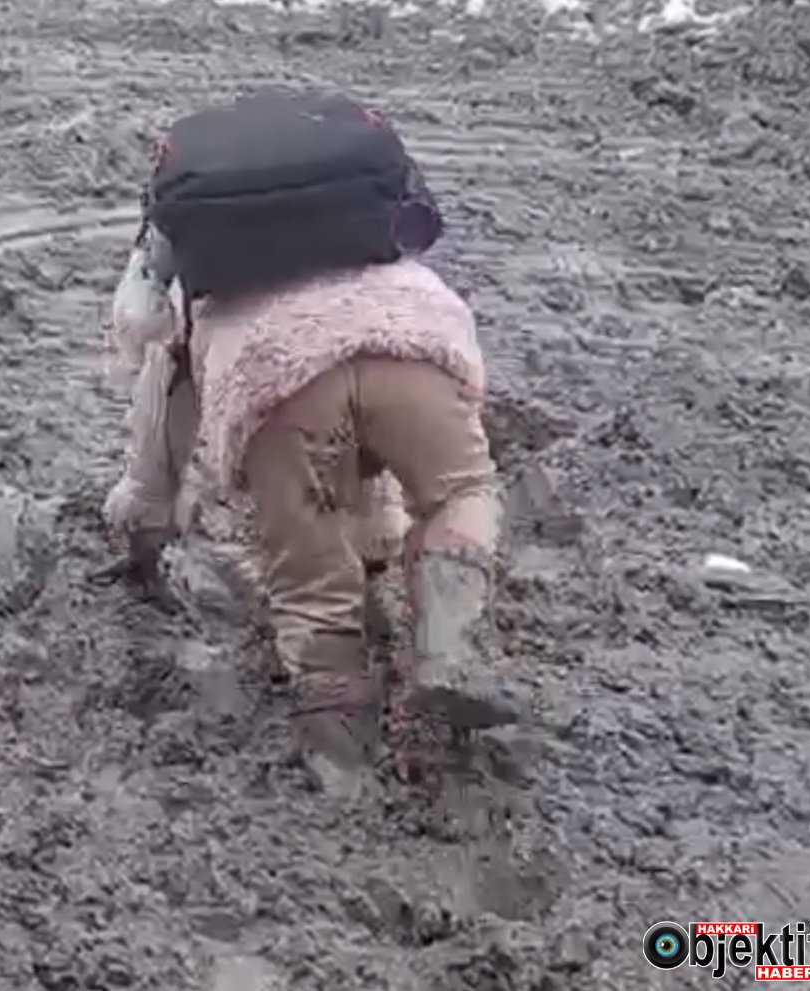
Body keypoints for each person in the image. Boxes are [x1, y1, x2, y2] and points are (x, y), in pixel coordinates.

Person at [101, 94, 518, 796]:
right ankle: (446, 646)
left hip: (278, 378)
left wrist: (140, 535)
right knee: (460, 493)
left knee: (313, 590)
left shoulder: (176, 276)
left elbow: (158, 439)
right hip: (413, 344)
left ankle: (341, 775)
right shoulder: (375, 228)